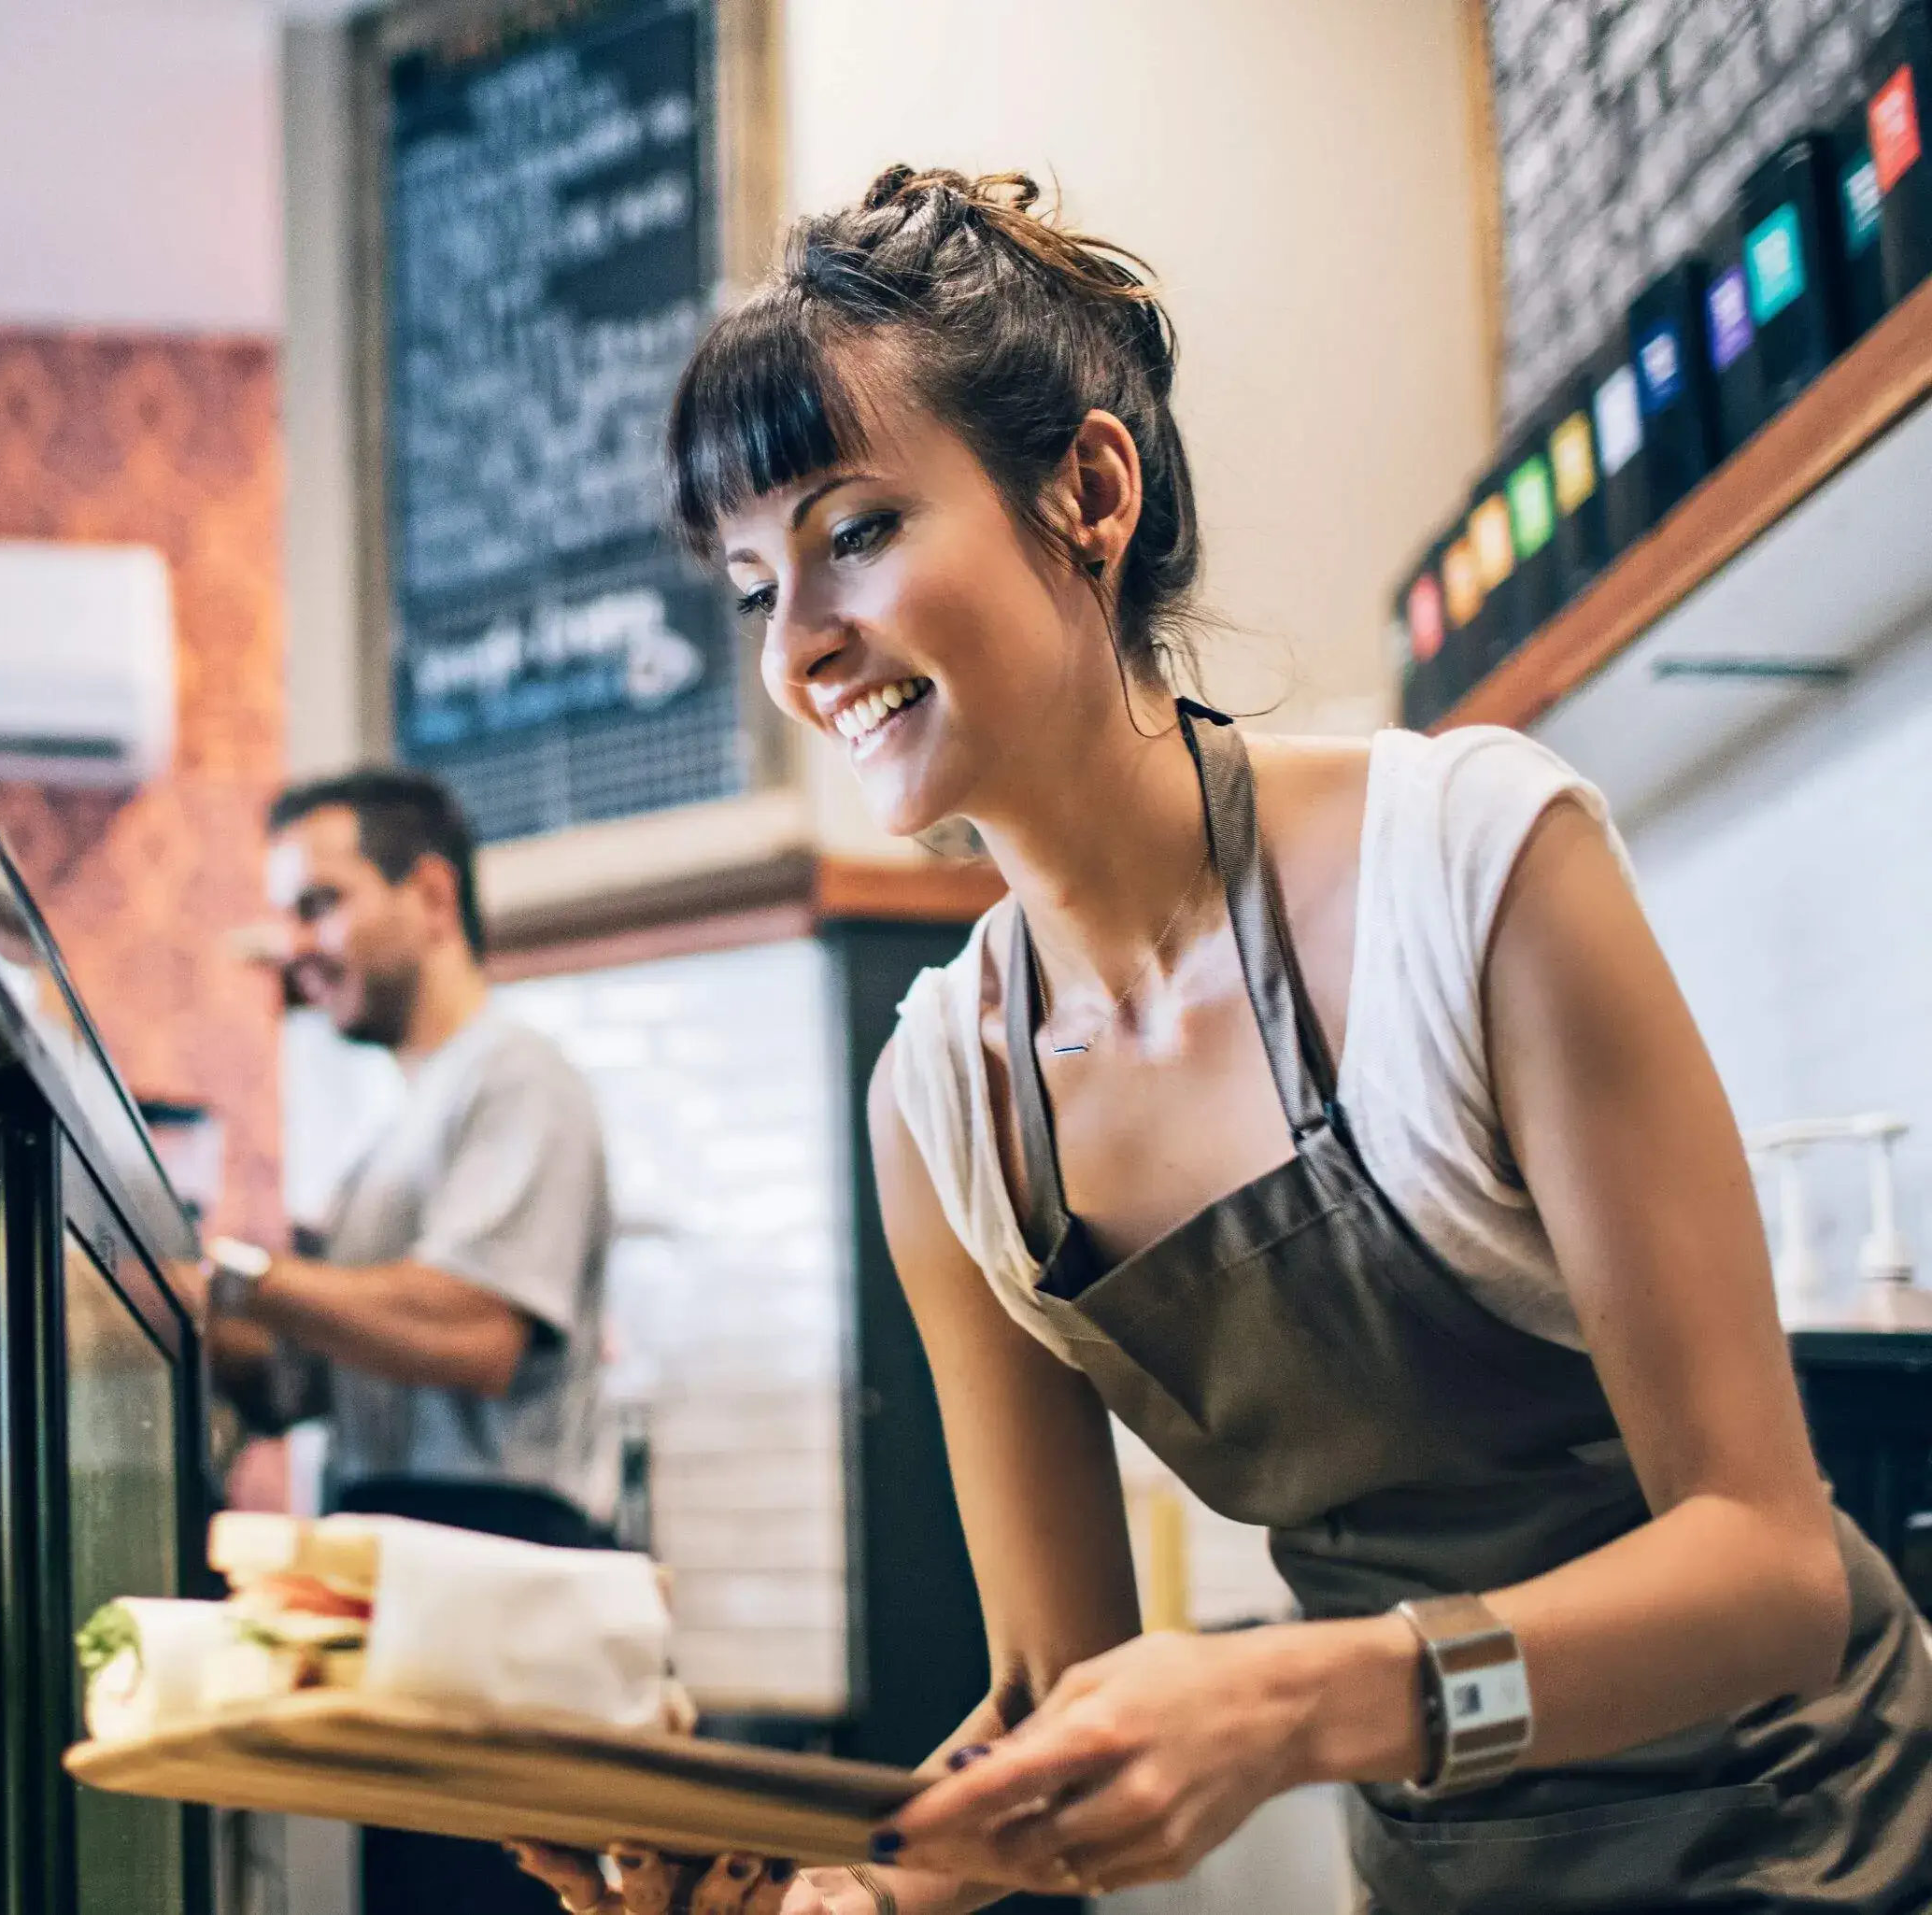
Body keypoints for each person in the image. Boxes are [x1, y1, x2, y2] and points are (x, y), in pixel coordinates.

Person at [519, 165, 1932, 1915]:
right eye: (750, 587)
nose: (802, 649)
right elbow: (1053, 1705)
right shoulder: (947, 1104)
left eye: (855, 532)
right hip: (1443, 1872)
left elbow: (1772, 1575)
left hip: (1816, 1838)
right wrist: (838, 1886)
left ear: (1089, 491)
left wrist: (1299, 1697)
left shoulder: (1470, 868)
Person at [173, 766, 617, 1915]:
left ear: (429, 893)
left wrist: (241, 1276)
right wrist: (129, 1298)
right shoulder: (385, 1144)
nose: (295, 945)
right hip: (401, 1568)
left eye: (318, 904)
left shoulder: (517, 1077)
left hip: (498, 1571)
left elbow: (476, 1332)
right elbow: (288, 1386)